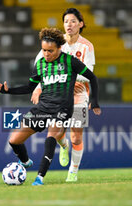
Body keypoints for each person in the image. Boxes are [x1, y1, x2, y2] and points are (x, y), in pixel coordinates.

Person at [0, 27, 101, 186]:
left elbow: (92, 78)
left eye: (50, 50)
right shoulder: (41, 64)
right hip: (42, 108)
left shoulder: (70, 61)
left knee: (51, 138)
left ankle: (39, 178)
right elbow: (30, 87)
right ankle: (26, 162)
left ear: (59, 48)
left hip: (62, 109)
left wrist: (95, 100)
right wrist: (8, 91)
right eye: (44, 50)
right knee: (14, 141)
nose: (46, 54)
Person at [31, 8, 95, 182]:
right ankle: (63, 145)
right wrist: (38, 87)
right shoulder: (55, 44)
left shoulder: (87, 46)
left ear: (80, 24)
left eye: (73, 21)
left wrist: (73, 77)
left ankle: (73, 171)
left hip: (79, 94)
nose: (69, 24)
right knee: (57, 134)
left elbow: (89, 72)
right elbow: (40, 67)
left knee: (76, 136)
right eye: (66, 21)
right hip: (57, 95)